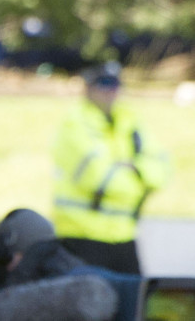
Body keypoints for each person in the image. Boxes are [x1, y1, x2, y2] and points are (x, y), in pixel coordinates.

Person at [52, 61, 171, 274]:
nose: (111, 90)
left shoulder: (129, 122)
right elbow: (100, 179)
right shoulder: (76, 124)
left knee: (136, 303)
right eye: (103, 83)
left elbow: (162, 170)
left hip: (124, 237)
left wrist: (129, 169)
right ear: (88, 87)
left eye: (116, 84)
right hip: (82, 238)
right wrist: (138, 172)